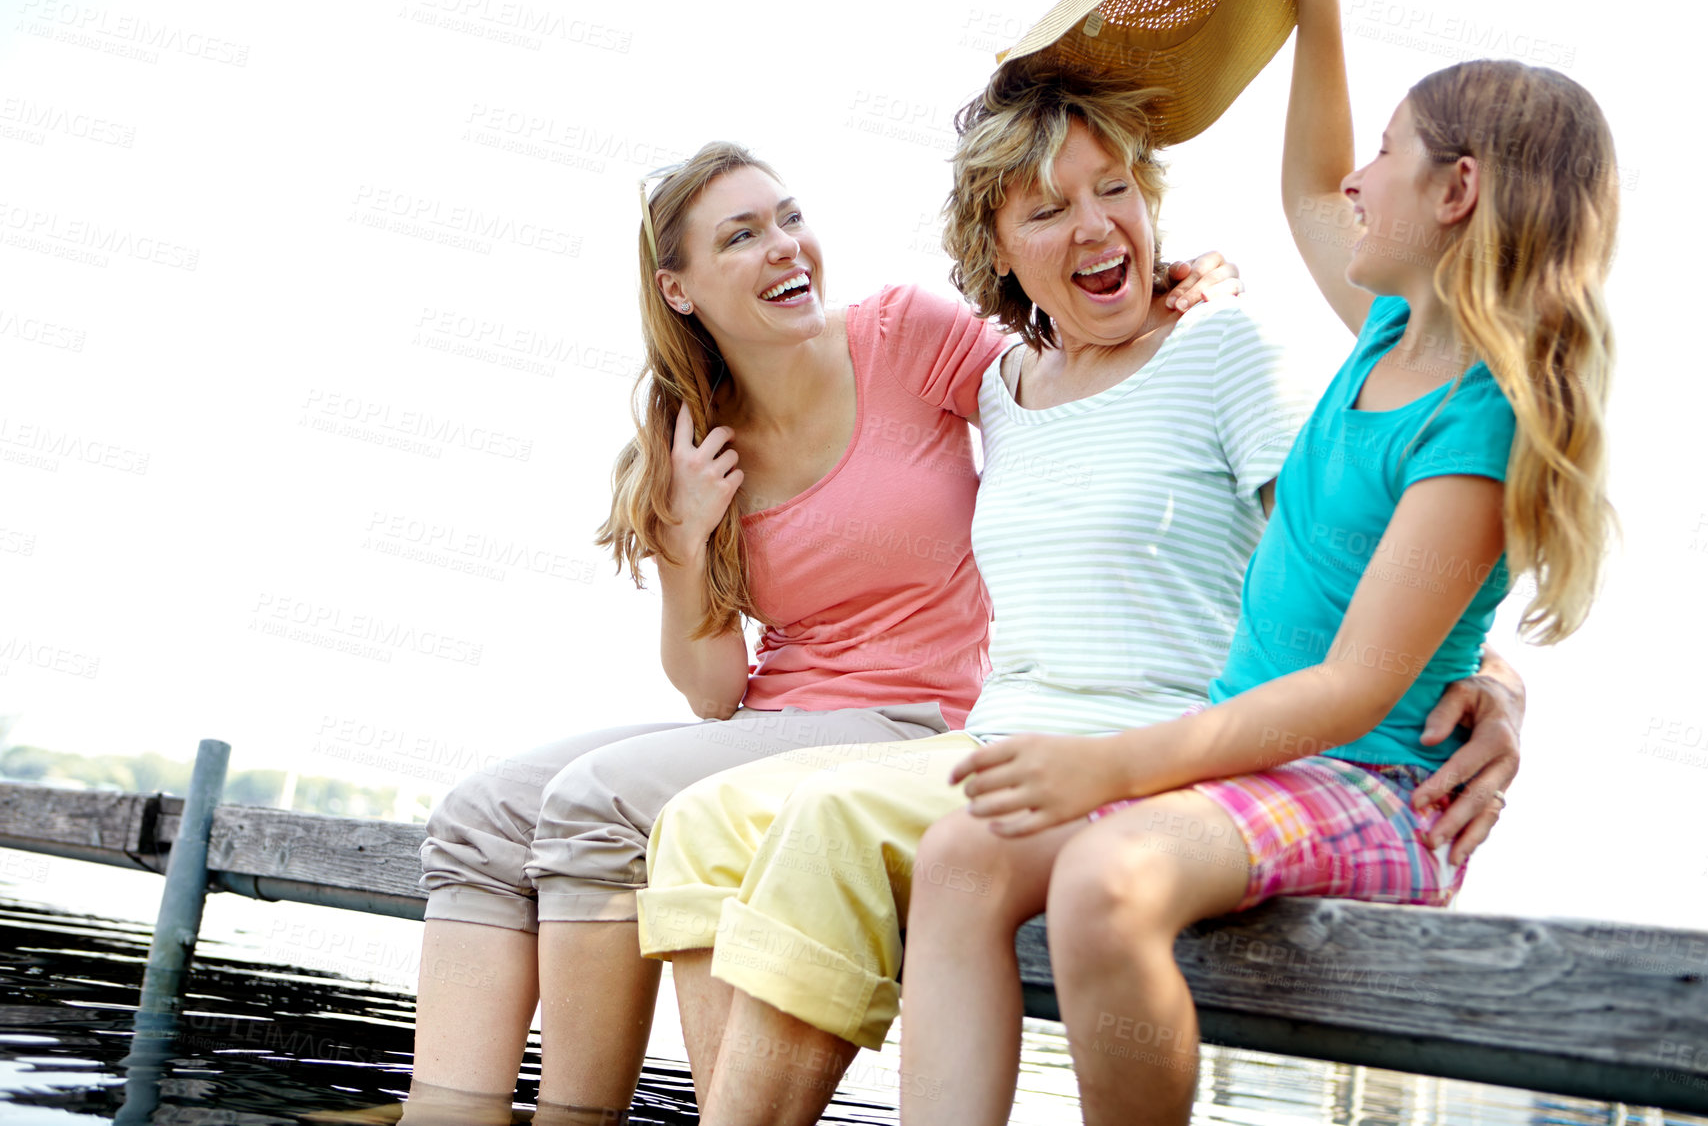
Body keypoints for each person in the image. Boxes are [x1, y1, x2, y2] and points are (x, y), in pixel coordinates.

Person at [634, 60, 1528, 1126]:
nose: (1095, 225)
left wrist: (1494, 674)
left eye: (1114, 189)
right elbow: (839, 408)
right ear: (999, 251)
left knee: (830, 822)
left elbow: (1356, 552)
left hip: (1154, 748)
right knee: (696, 826)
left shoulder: (1222, 350)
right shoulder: (1004, 388)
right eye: (1048, 209)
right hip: (1000, 742)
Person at [898, 0, 1618, 1123]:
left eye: (1387, 152)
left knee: (1100, 878)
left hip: (1371, 783)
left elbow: (1351, 689)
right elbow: (1300, 179)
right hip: (1258, 770)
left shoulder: (1477, 418)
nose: (1353, 177)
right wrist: (1316, 1)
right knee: (962, 853)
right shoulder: (1392, 325)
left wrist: (1113, 765)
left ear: (1455, 192)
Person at [404, 141, 1239, 1124]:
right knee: (477, 814)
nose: (784, 248)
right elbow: (715, 691)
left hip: (920, 719)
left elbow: (1056, 381)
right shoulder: (691, 433)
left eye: (788, 218)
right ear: (679, 289)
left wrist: (1159, 312)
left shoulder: (902, 335)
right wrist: (681, 539)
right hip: (772, 723)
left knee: (595, 802)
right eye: (743, 236)